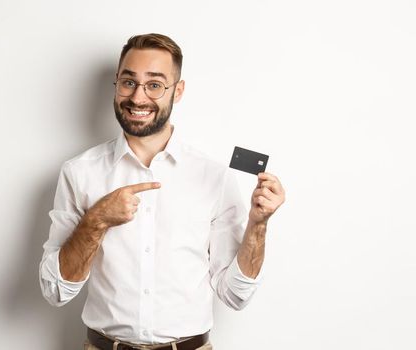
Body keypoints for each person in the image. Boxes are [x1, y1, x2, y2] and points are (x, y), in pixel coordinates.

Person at [39, 33, 286, 350]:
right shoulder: (79, 172)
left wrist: (258, 225)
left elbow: (235, 295)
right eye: (129, 82)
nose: (138, 98)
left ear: (177, 91)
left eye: (154, 85)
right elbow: (55, 292)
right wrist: (95, 221)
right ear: (116, 84)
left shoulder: (214, 176)